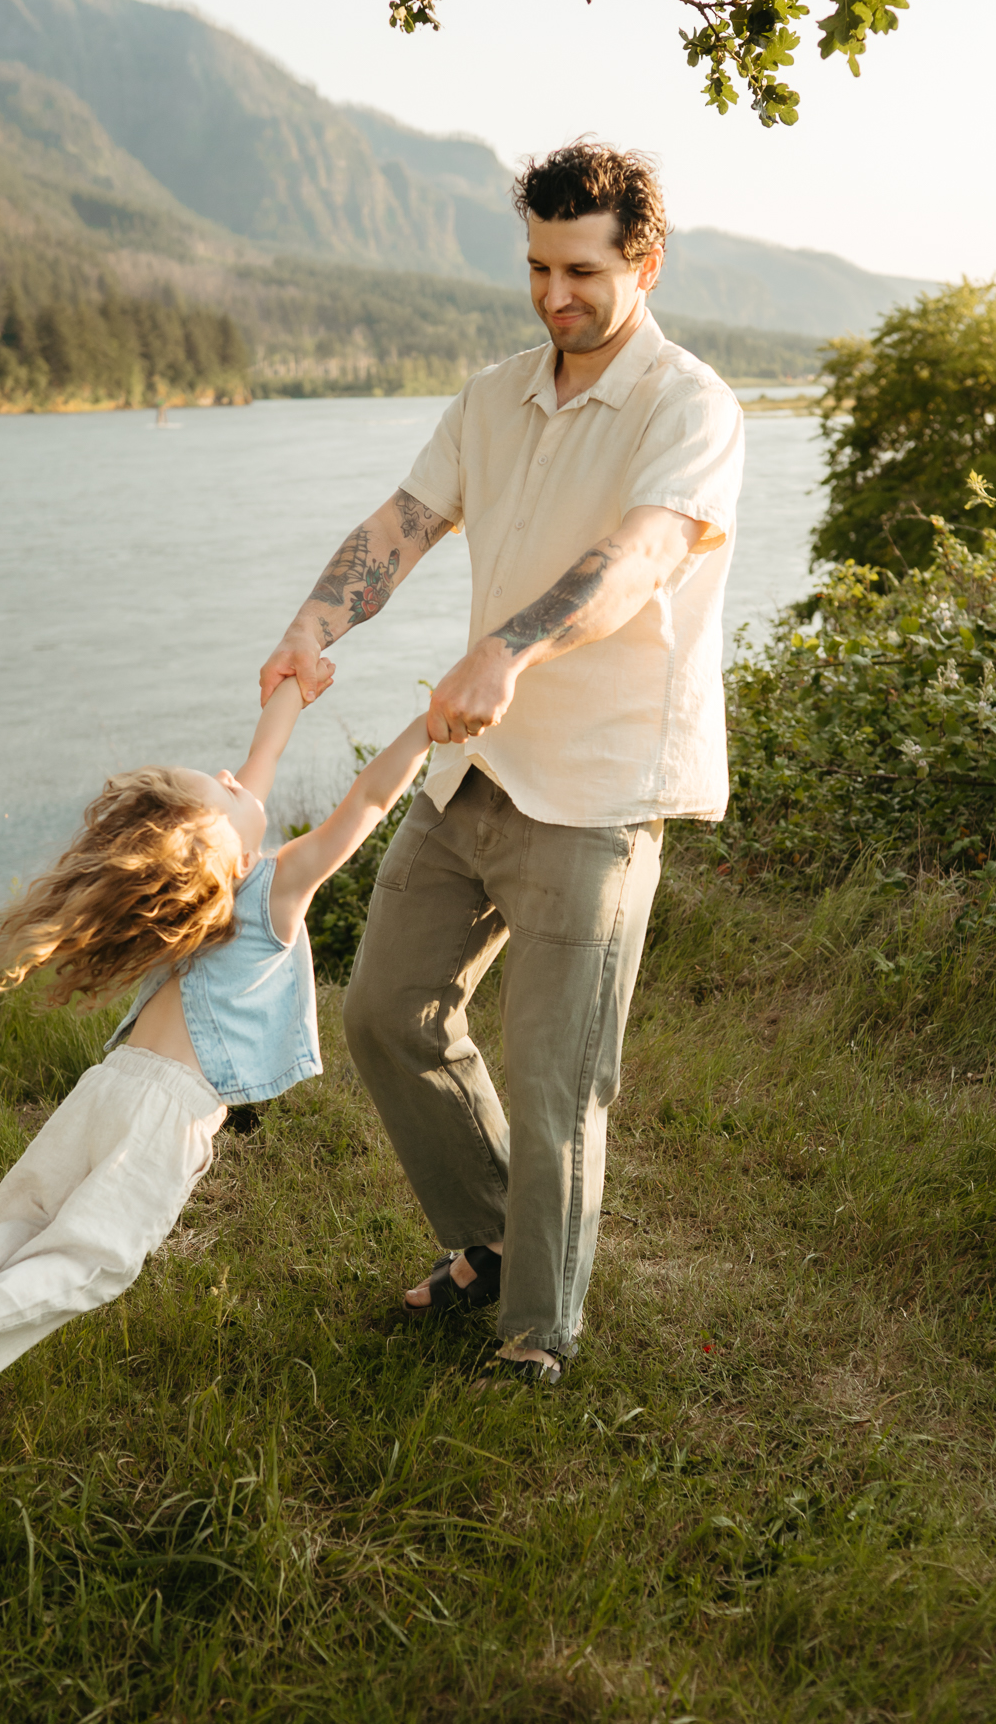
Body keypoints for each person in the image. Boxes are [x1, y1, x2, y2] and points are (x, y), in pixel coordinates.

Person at [260, 142, 745, 1380]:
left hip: (597, 787)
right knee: (384, 1011)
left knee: (556, 1080)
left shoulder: (689, 406)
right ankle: (488, 1239)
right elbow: (402, 525)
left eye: (580, 268)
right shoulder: (492, 394)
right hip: (468, 766)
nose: (552, 295)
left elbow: (640, 556)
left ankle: (537, 1332)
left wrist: (510, 648)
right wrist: (317, 622)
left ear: (646, 257)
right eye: (535, 264)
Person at [0, 673, 432, 1426]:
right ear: (221, 850)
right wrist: (429, 727)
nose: (235, 775)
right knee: (92, 1262)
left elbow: (256, 767)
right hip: (168, 1115)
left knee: (38, 1215)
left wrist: (295, 682)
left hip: (108, 1084)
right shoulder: (270, 893)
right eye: (224, 786)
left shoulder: (195, 901)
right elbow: (363, 804)